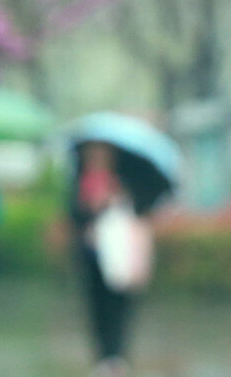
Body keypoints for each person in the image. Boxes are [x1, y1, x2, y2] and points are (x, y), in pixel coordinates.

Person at [67, 140, 155, 377]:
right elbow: (73, 217)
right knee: (97, 307)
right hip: (92, 258)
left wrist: (115, 198)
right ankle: (103, 356)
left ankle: (117, 356)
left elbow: (138, 215)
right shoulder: (79, 184)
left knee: (121, 307)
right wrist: (89, 210)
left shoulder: (123, 182)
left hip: (120, 257)